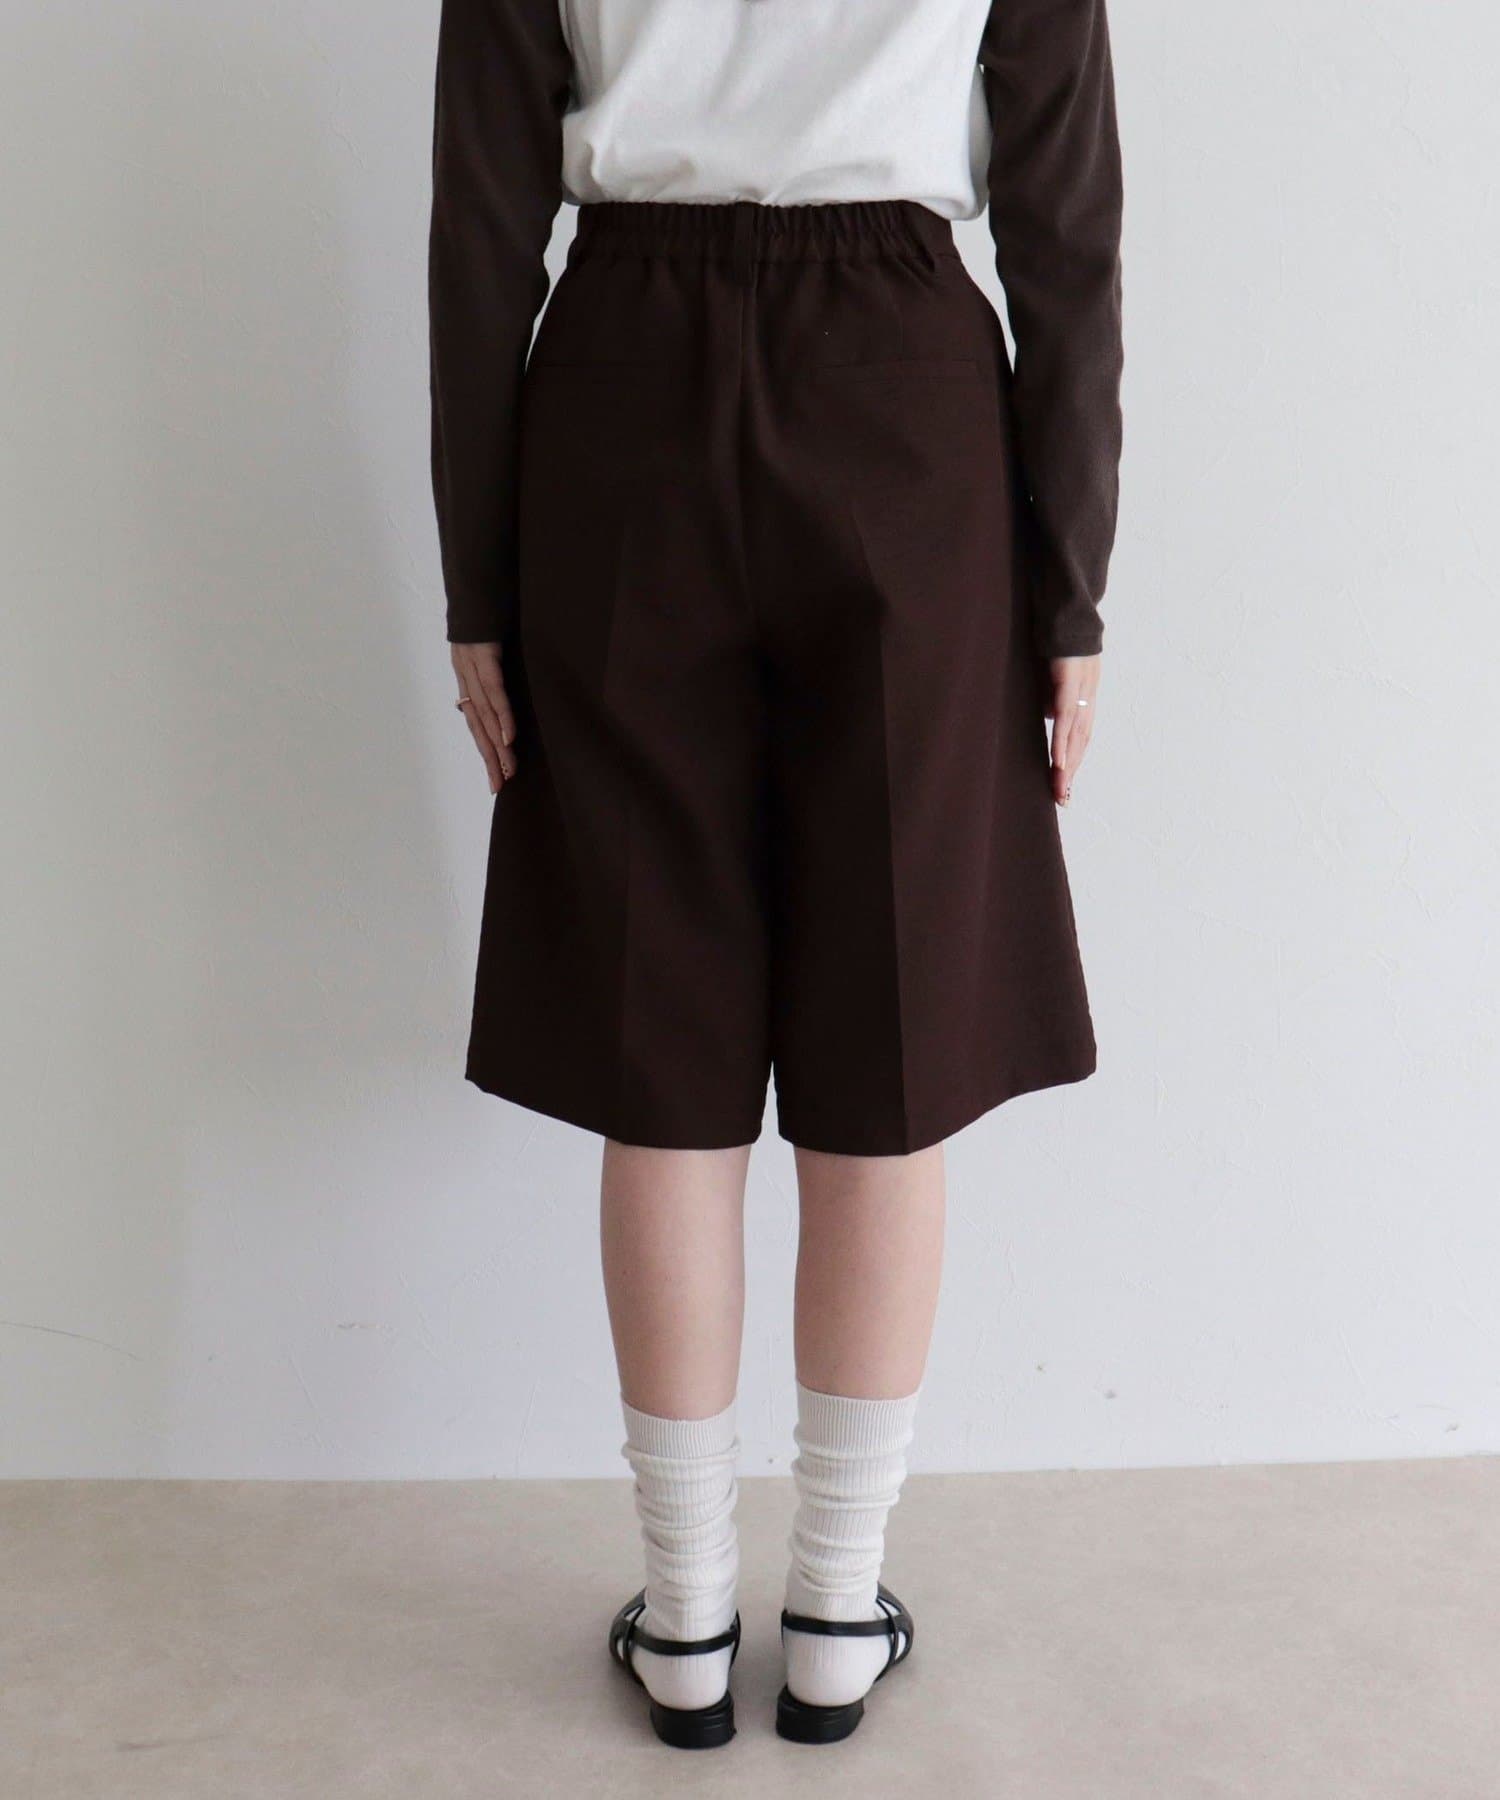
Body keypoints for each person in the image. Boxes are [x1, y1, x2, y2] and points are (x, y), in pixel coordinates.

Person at [428, 0, 1123, 1751]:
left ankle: (683, 1618)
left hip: (619, 397)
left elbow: (483, 228)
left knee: (657, 1029)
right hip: (900, 399)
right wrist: (1070, 591)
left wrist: (480, 580)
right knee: (889, 1026)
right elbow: (1062, 228)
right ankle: (831, 1607)